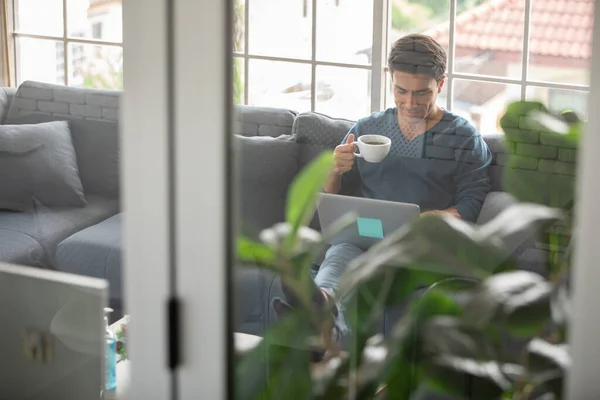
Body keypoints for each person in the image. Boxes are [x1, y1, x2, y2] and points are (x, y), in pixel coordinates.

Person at [275, 33, 492, 344]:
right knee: (340, 256)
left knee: (364, 274)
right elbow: (333, 203)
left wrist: (431, 220)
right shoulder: (367, 129)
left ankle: (321, 333)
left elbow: (471, 203)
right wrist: (334, 169)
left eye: (422, 93)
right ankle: (321, 315)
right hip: (364, 238)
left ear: (441, 84)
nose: (409, 103)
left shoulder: (463, 137)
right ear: (391, 80)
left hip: (422, 247)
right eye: (400, 91)